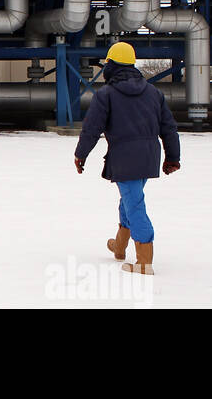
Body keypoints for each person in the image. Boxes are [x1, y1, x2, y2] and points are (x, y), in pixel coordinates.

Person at [73, 42, 181, 275]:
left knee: (134, 204)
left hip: (124, 158)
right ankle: (119, 245)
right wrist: (172, 157)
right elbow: (169, 128)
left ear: (111, 65)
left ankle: (144, 260)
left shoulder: (106, 95)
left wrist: (81, 154)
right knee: (129, 199)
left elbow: (92, 128)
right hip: (149, 157)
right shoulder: (154, 93)